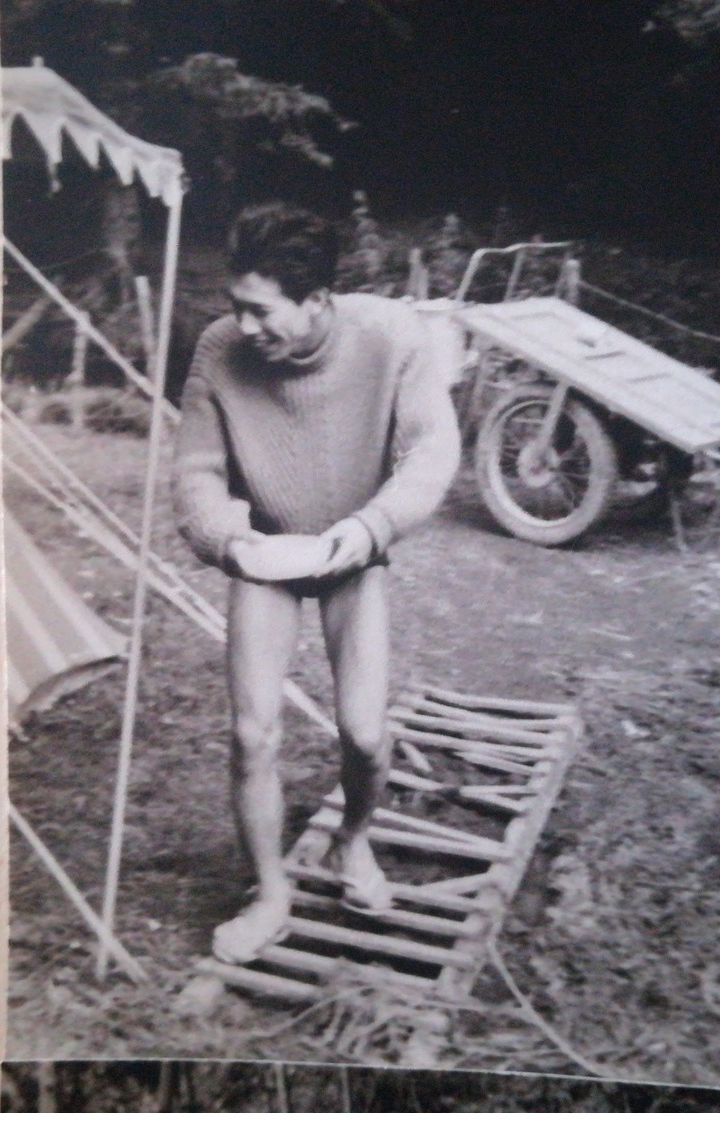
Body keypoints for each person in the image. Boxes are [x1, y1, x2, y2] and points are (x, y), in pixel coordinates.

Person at [172, 201, 461, 964]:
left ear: (318, 301)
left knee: (365, 734)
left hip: (351, 549)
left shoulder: (392, 336)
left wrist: (367, 531)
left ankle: (351, 843)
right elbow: (196, 474)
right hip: (265, 554)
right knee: (250, 733)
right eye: (236, 306)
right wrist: (232, 545)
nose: (245, 326)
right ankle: (270, 894)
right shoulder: (218, 352)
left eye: (261, 311)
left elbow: (433, 450)